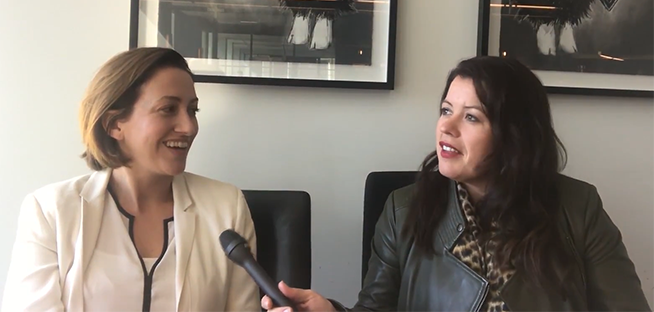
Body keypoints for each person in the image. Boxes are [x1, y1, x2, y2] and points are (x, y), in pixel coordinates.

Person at [262, 56, 652, 312]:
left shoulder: (577, 207)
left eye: (471, 117)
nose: (445, 127)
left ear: (514, 135)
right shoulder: (403, 210)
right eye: (446, 110)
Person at [1, 47, 260, 312]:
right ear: (114, 124)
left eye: (192, 110)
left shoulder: (227, 206)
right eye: (168, 109)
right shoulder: (50, 212)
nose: (189, 127)